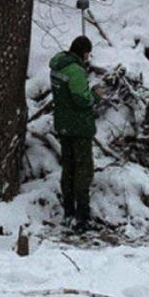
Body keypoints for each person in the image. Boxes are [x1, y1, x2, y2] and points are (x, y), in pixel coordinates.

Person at [49, 36, 102, 231]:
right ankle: (82, 217)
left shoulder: (57, 66)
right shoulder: (75, 71)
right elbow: (81, 99)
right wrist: (95, 95)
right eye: (88, 53)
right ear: (83, 51)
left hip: (63, 125)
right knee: (83, 170)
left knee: (68, 169)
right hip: (79, 128)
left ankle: (68, 211)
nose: (88, 57)